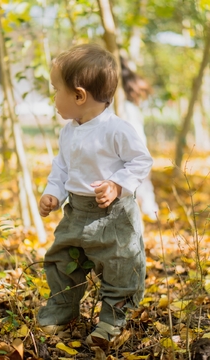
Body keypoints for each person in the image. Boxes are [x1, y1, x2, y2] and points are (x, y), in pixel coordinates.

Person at [37, 43, 153, 348]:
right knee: (62, 259)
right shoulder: (69, 131)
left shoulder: (116, 129)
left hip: (112, 215)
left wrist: (117, 184)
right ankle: (62, 309)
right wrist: (53, 192)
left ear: (78, 95)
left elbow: (141, 161)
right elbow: (62, 167)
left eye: (56, 89)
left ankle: (113, 319)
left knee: (120, 264)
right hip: (76, 211)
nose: (53, 97)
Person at [120, 57, 159, 221]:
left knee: (139, 178)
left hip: (132, 141)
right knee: (139, 179)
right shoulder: (125, 96)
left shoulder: (123, 101)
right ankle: (149, 211)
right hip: (134, 141)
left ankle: (149, 211)